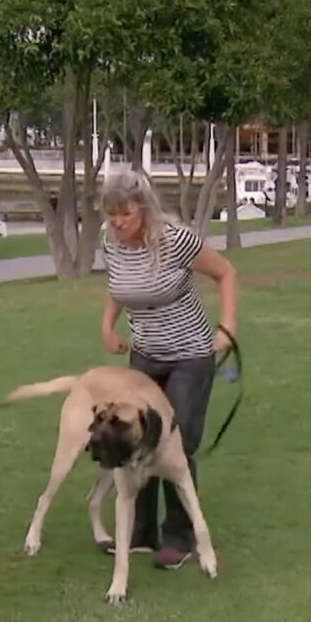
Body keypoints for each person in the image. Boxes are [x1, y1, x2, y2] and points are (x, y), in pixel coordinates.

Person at [99, 167, 238, 570]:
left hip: (190, 355)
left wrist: (228, 325)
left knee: (178, 445)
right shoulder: (113, 244)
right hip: (144, 355)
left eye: (124, 213)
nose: (118, 222)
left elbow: (226, 273)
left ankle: (178, 537)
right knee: (135, 438)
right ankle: (141, 532)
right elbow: (118, 288)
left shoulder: (175, 239)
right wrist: (107, 326)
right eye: (111, 215)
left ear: (142, 207)